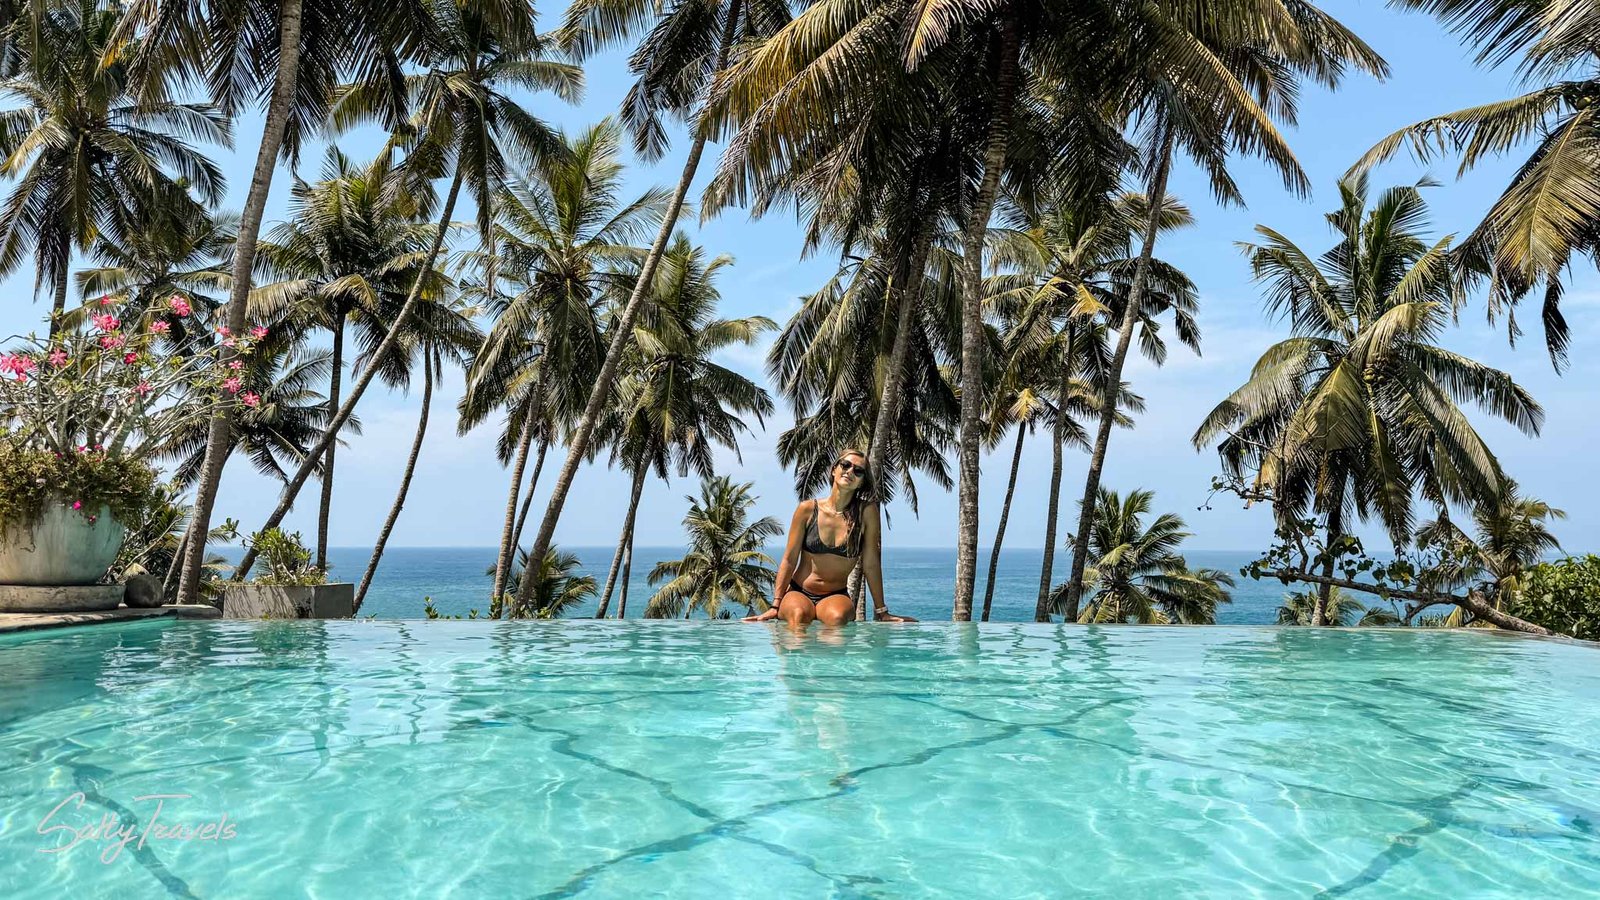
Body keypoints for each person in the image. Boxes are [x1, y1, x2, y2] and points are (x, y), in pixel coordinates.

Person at [744, 449, 916, 625]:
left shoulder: (867, 513)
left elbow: (871, 562)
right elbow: (789, 559)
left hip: (835, 595)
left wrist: (881, 611)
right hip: (798, 591)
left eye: (858, 471)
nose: (850, 472)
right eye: (846, 465)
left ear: (861, 482)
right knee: (798, 615)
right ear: (834, 469)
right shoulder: (807, 510)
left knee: (837, 618)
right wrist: (775, 605)